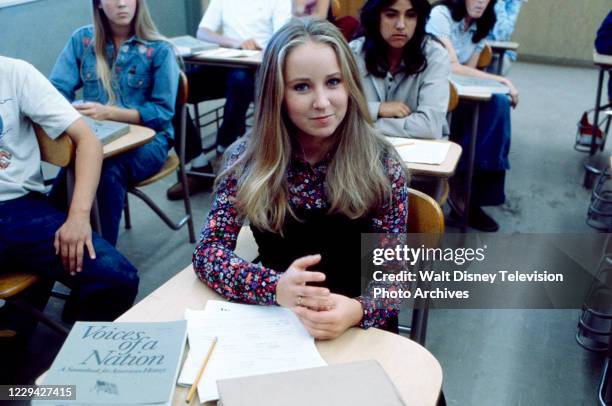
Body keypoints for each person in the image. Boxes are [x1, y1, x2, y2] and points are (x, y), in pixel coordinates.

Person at [193, 19, 409, 339]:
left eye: (333, 82)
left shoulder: (381, 163)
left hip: (360, 330)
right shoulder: (246, 160)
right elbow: (208, 251)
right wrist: (275, 287)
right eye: (302, 87)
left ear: (350, 84)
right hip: (280, 326)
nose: (321, 102)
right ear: (276, 94)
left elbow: (396, 276)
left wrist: (357, 310)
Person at [0, 55, 139, 328]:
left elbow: (88, 140)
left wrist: (78, 217)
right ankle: (16, 329)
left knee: (118, 278)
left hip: (21, 209)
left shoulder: (14, 73)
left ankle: (76, 352)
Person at [49, 0, 180, 246]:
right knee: (68, 174)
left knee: (105, 171)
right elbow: (55, 91)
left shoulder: (159, 49)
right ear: (98, 4)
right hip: (99, 137)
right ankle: (55, 251)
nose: (121, 3)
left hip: (151, 141)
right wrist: (71, 115)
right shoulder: (83, 40)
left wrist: (110, 113)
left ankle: (99, 256)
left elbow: (162, 112)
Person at [166, 0, 292, 201]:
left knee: (240, 80)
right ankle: (198, 164)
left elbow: (283, 38)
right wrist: (236, 42)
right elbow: (203, 32)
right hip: (223, 63)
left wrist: (257, 48)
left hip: (257, 71)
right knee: (171, 89)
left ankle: (224, 150)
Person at [426, 0, 519, 232]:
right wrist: (502, 80)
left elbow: (470, 74)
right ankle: (464, 191)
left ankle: (468, 191)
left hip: (456, 93)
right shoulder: (441, 14)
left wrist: (499, 87)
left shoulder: (481, 24)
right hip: (430, 90)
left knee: (499, 104)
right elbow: (451, 66)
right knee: (497, 101)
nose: (480, 1)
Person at [351, 0, 451, 139]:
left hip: (422, 151)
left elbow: (429, 128)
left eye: (410, 15)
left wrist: (365, 122)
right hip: (365, 148)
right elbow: (341, 113)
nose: (401, 25)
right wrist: (379, 108)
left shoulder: (436, 55)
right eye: (391, 15)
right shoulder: (354, 52)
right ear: (375, 17)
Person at [487, 0, 526, 75]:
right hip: (470, 44)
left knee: (502, 65)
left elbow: (502, 34)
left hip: (495, 51)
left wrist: (498, 3)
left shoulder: (514, 2)